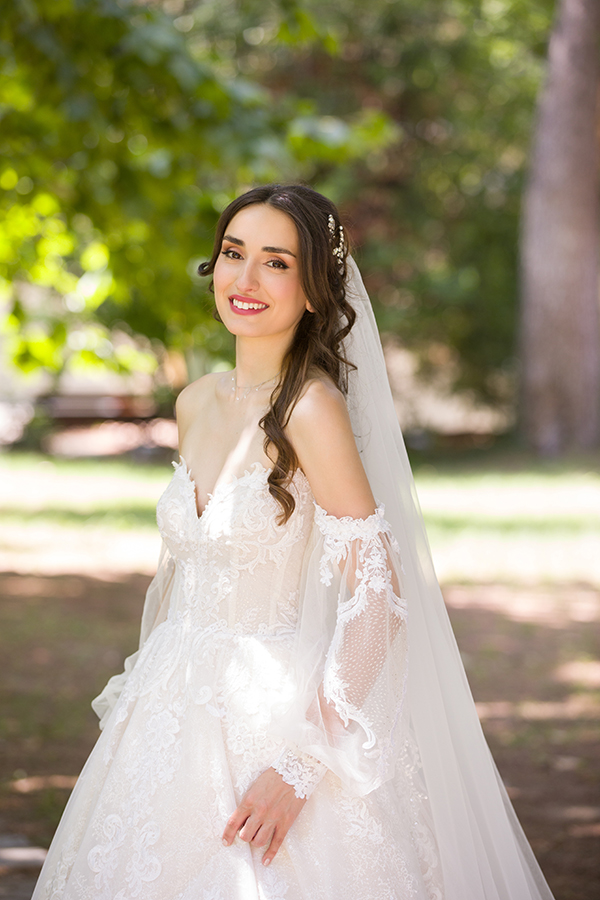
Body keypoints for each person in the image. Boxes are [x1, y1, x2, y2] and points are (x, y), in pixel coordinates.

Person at [32, 184, 555, 900]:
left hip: (272, 715)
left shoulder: (311, 410)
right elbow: (182, 578)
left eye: (276, 263)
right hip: (168, 711)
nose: (244, 280)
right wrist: (137, 713)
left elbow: (377, 595)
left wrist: (304, 763)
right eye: (233, 253)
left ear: (313, 290)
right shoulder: (196, 403)